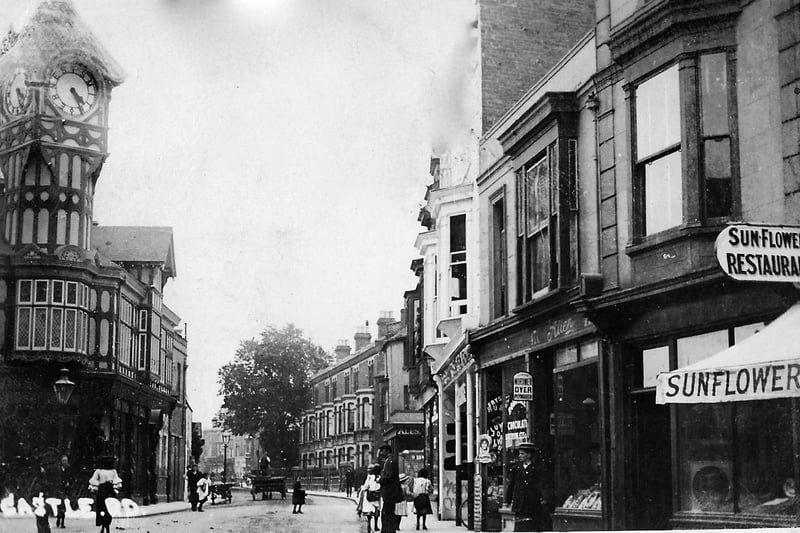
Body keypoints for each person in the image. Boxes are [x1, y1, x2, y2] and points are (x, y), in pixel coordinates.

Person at [504, 443, 545, 532]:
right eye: (519, 454)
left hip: (532, 504)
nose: (520, 456)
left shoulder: (536, 469)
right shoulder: (516, 469)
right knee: (520, 526)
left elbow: (540, 485)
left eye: (522, 454)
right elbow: (511, 485)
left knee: (531, 527)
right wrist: (508, 500)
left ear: (529, 455)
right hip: (519, 503)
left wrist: (542, 498)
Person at [88, 455, 122, 533]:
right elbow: (94, 480)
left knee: (109, 509)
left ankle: (107, 526)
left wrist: (116, 485)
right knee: (102, 509)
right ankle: (103, 525)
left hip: (110, 491)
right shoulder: (98, 471)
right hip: (102, 491)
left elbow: (116, 480)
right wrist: (96, 486)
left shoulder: (113, 471)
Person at [378, 443, 403, 533]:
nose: (381, 453)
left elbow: (388, 476)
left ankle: (388, 531)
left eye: (382, 451)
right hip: (391, 492)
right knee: (388, 513)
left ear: (387, 451)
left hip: (390, 492)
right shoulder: (390, 460)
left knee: (387, 514)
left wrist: (380, 480)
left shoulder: (389, 461)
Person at [356, 464, 382, 533]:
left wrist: (362, 489)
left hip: (370, 496)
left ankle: (369, 526)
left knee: (369, 512)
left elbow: (366, 486)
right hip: (377, 496)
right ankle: (376, 526)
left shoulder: (370, 477)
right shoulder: (379, 477)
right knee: (376, 511)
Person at [55, 455, 72, 528]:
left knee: (63, 505)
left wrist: (69, 482)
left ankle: (62, 521)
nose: (65, 462)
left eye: (66, 460)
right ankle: (59, 518)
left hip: (66, 489)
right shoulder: (58, 468)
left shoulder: (69, 468)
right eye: (63, 460)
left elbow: (71, 477)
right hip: (59, 488)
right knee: (60, 504)